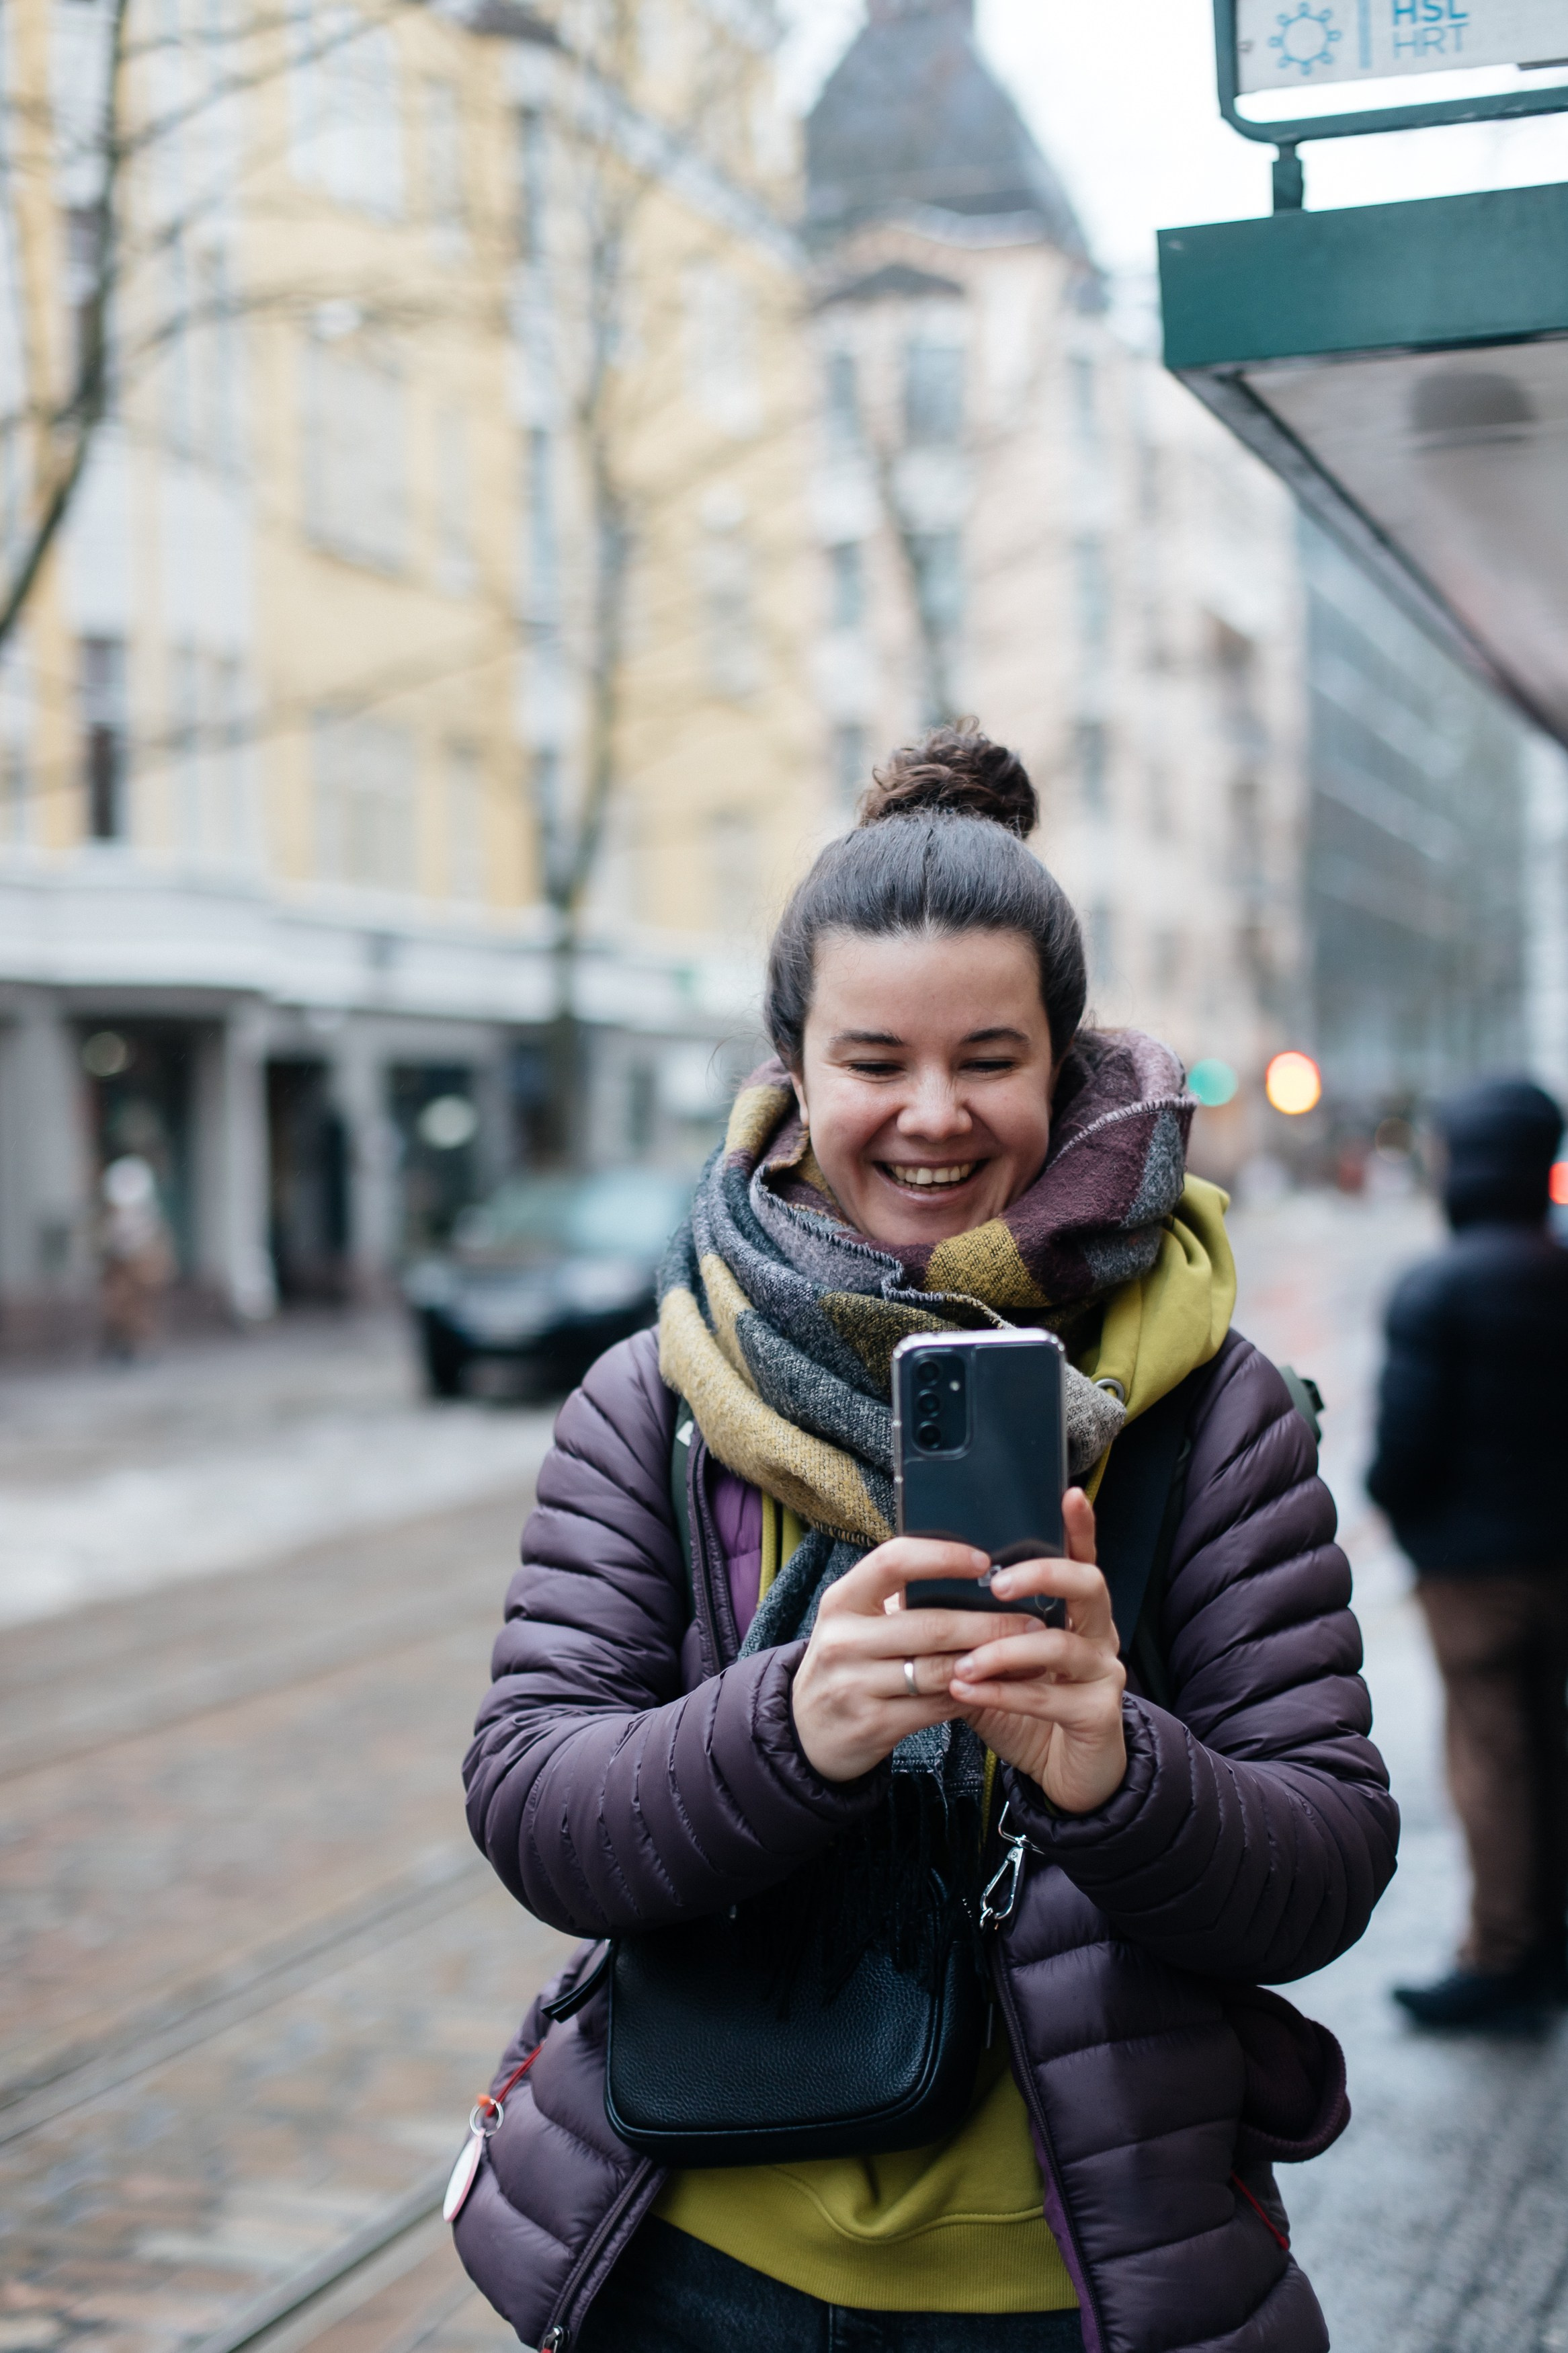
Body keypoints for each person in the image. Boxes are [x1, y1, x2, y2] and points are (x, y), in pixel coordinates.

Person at [456, 727, 1397, 2353]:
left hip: (1068, 2285)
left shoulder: (1212, 1405)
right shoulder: (660, 1396)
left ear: (1063, 1067)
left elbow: (1321, 1866)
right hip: (695, 2262)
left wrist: (1117, 1770)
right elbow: (535, 1805)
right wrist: (788, 1725)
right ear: (794, 1072)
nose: (931, 1116)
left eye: (988, 1058)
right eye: (874, 1060)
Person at [1369, 1076, 1568, 2028]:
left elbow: (1402, 1450)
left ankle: (1501, 1955)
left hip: (1470, 1572)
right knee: (1549, 1744)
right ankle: (1548, 1940)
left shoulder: (1436, 1285)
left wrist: (1408, 1523)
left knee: (1491, 1757)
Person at [97, 1154, 174, 1359]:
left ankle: (139, 1347)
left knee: (139, 1311)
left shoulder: (148, 1218)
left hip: (139, 1271)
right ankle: (123, 1347)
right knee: (118, 1310)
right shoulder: (113, 1217)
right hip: (122, 1271)